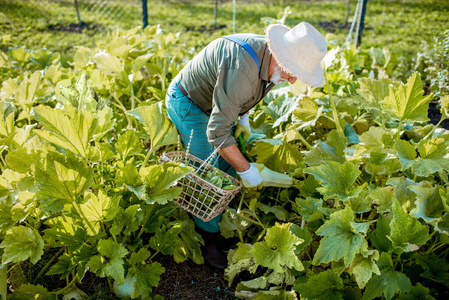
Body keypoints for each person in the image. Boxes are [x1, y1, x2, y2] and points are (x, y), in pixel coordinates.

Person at [165, 22, 327, 269]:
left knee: (230, 161)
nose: (293, 79)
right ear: (281, 58)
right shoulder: (243, 68)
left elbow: (246, 91)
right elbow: (217, 134)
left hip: (216, 101)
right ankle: (208, 240)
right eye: (292, 72)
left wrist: (243, 117)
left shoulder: (272, 60)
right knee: (208, 172)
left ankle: (220, 221)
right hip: (188, 101)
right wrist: (247, 170)